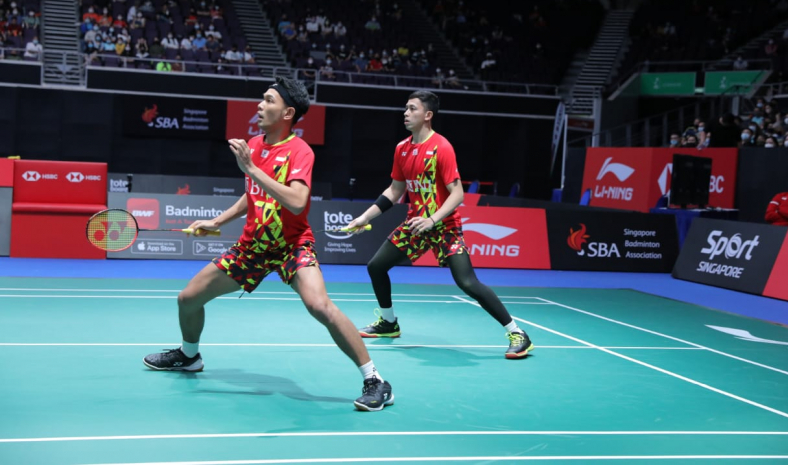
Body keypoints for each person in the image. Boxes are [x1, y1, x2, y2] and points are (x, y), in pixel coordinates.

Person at [143, 78, 394, 412]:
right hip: (253, 248)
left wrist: (250, 168)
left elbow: (296, 200)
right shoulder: (254, 145)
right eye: (262, 99)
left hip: (292, 245)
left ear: (287, 112)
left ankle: (376, 380)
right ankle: (189, 356)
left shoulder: (299, 151)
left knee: (320, 306)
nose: (260, 106)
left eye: (268, 100)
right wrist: (217, 222)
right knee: (188, 298)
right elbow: (253, 194)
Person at [346, 90, 534, 359]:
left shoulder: (441, 147)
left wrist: (433, 219)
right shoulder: (402, 148)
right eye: (406, 108)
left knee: (467, 283)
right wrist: (364, 217)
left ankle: (518, 333)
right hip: (416, 224)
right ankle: (388, 323)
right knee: (376, 266)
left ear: (428, 115)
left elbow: (457, 194)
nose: (406, 113)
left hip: (443, 225)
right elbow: (395, 190)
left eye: (412, 109)